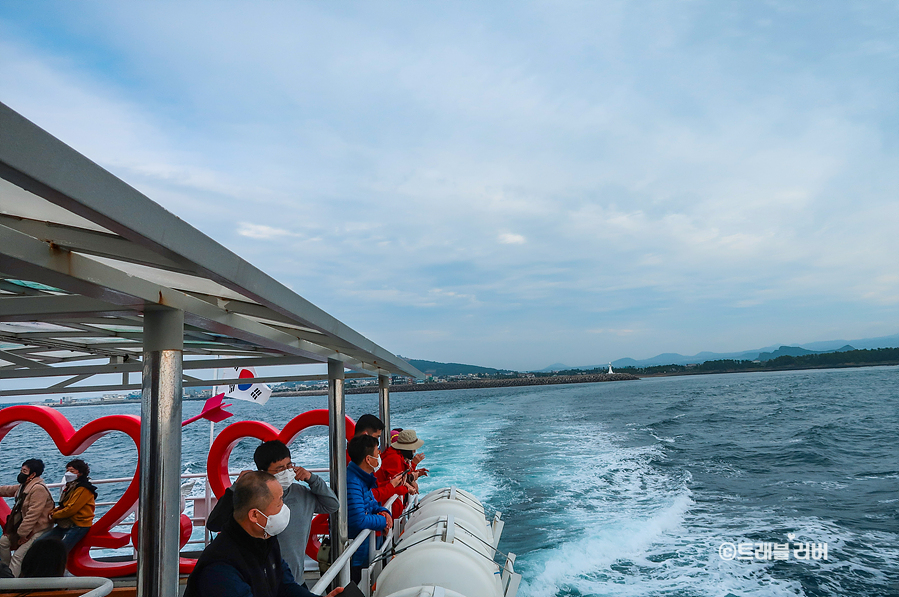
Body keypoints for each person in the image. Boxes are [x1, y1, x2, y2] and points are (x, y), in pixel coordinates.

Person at [184, 471, 343, 597]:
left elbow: (285, 585)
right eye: (279, 502)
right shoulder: (221, 568)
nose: (284, 508)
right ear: (254, 515)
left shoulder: (265, 538)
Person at [206, 440, 339, 579]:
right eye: (279, 469)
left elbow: (332, 505)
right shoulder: (252, 497)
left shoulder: (302, 493)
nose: (287, 471)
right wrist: (237, 487)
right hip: (262, 581)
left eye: (289, 465)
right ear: (263, 472)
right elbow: (215, 523)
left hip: (295, 579)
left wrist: (312, 479)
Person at [346, 435, 391, 584]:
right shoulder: (352, 482)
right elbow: (359, 520)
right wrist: (383, 521)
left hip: (367, 549)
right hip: (357, 556)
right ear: (368, 459)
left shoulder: (363, 478)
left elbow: (372, 505)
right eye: (377, 453)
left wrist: (384, 512)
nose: (379, 456)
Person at [0, 458, 54, 576]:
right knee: (3, 543)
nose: (21, 473)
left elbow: (32, 515)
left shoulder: (38, 489)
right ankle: (5, 572)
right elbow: (8, 490)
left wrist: (22, 534)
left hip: (39, 529)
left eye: (24, 471)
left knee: (18, 556)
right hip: (26, 529)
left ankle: (11, 584)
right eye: (21, 470)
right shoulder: (24, 486)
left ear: (33, 474)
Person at [45, 459, 96, 553]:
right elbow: (64, 505)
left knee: (61, 550)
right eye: (67, 471)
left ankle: (57, 566)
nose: (68, 473)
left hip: (78, 525)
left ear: (80, 473)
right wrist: (55, 511)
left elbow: (71, 509)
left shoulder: (83, 488)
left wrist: (54, 515)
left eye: (72, 471)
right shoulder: (70, 486)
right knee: (40, 542)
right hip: (66, 523)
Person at [375, 429, 428, 519]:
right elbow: (396, 484)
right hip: (389, 509)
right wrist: (408, 488)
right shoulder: (394, 459)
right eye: (412, 449)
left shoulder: (396, 456)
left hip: (392, 508)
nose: (414, 451)